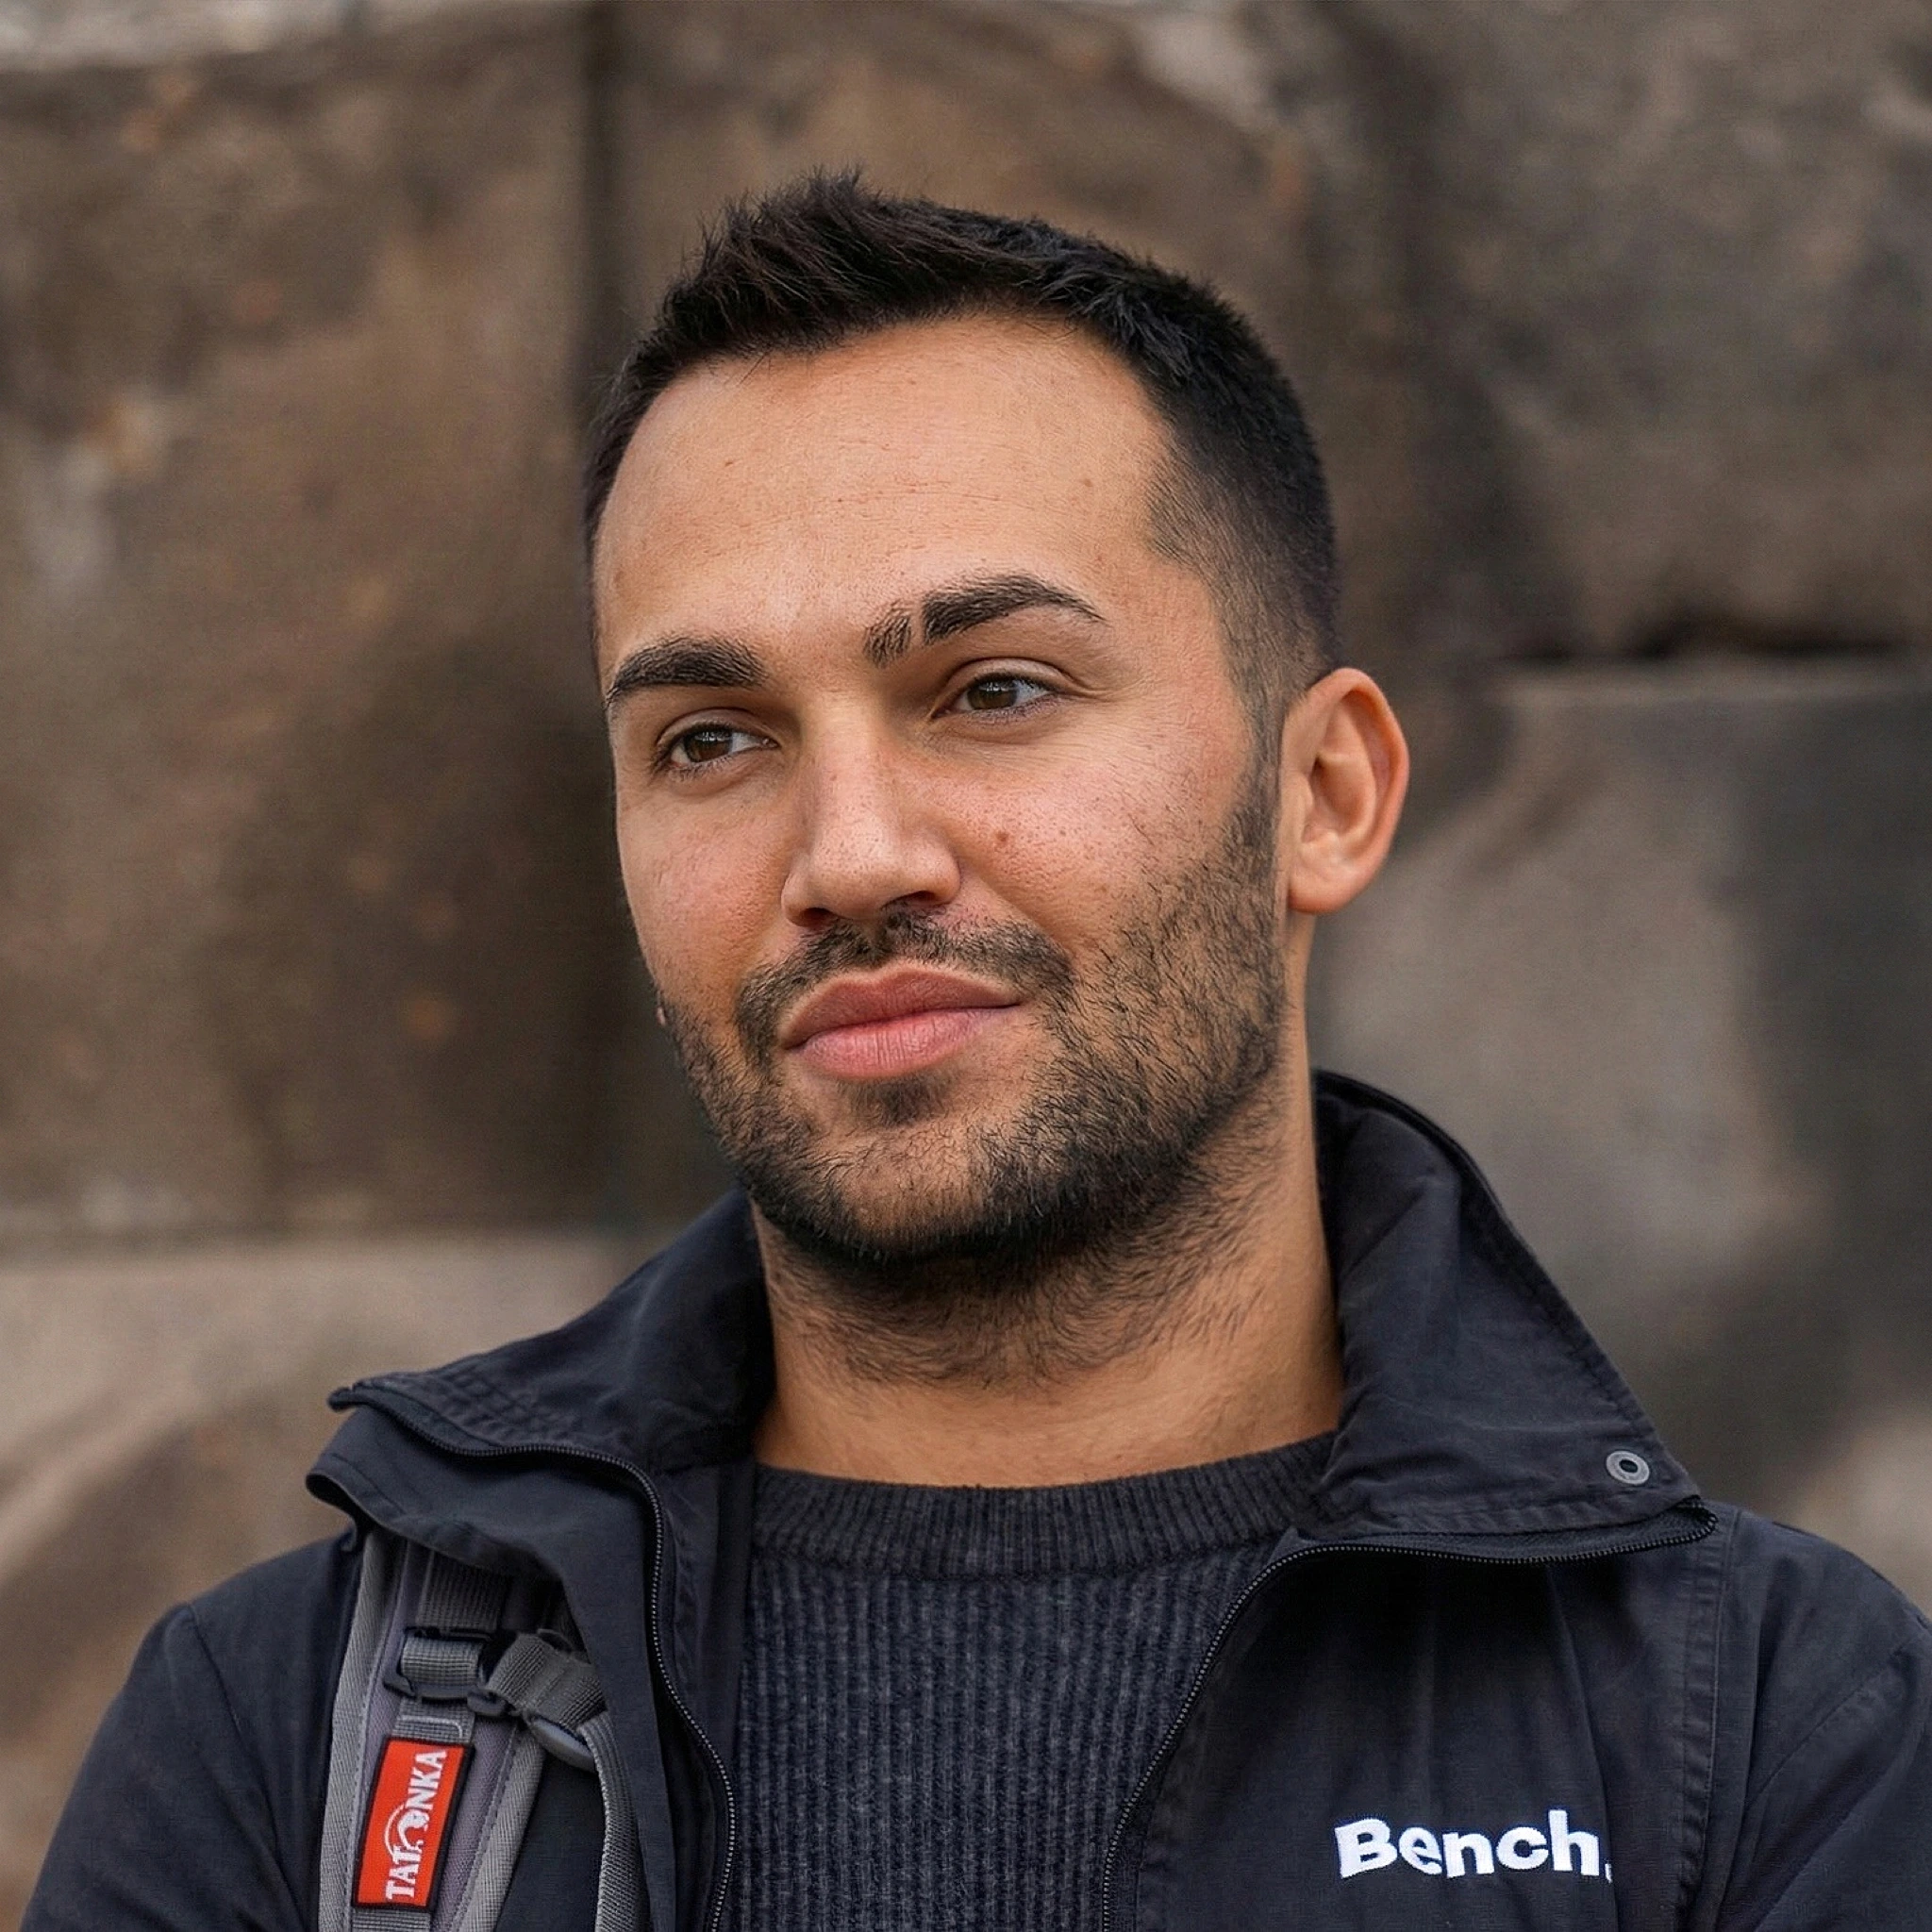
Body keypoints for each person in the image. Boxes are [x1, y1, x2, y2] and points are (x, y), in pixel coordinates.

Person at [26, 175, 1932, 1932]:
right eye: (710, 738)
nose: (851, 856)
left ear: (1325, 794)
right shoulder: (288, 1745)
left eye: (994, 689)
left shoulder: (1768, 1734)